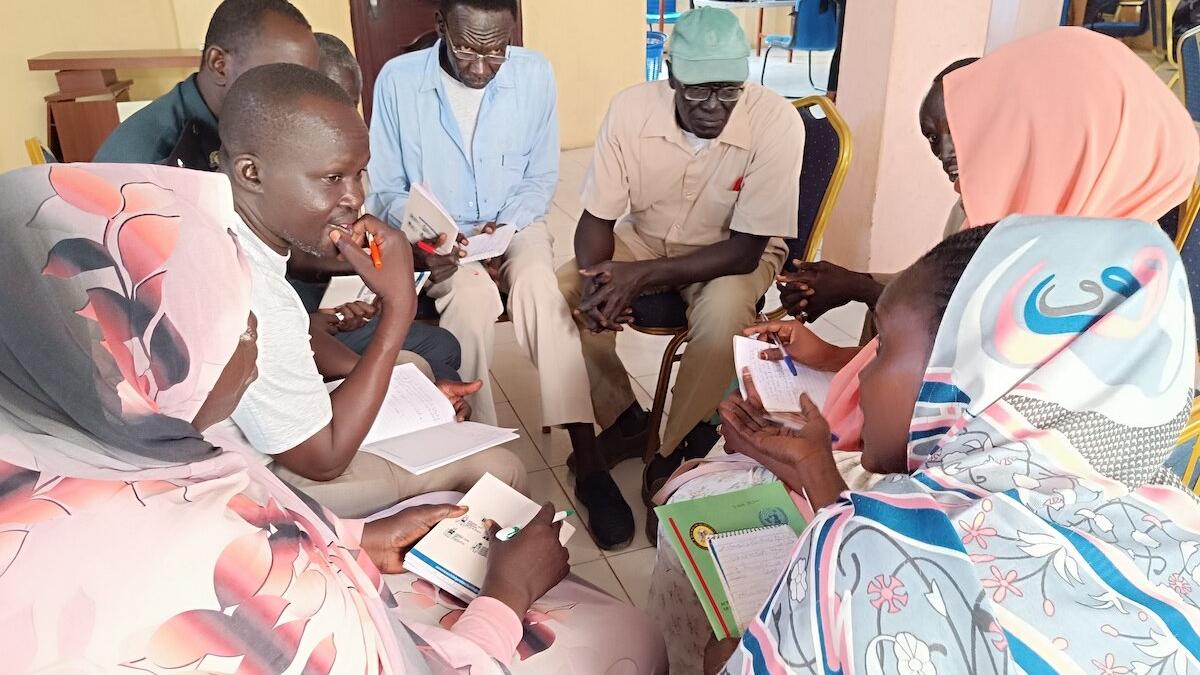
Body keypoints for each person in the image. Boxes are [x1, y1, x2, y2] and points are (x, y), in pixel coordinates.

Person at [646, 27, 1200, 673]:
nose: (949, 158)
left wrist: (831, 508)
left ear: (1052, 136)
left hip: (892, 489)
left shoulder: (876, 565)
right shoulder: (1135, 284)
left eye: (963, 138)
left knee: (716, 511)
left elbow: (900, 558)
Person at [0, 162, 668, 674]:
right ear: (150, 371)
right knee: (631, 635)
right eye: (234, 321)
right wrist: (507, 592)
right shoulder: (200, 564)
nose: (256, 333)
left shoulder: (71, 448)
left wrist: (351, 537)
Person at [709, 216, 1200, 674]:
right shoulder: (1174, 517)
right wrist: (816, 469)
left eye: (880, 346)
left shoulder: (871, 563)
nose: (863, 379)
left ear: (963, 371)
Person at [775, 27, 1199, 452]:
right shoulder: (1103, 254)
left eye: (973, 131)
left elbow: (941, 447)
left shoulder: (1087, 298)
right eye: (933, 139)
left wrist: (814, 461)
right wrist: (833, 358)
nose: (948, 155)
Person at [217, 62, 526, 518]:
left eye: (359, 174)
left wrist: (412, 398)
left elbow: (290, 343)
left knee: (413, 366)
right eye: (332, 178)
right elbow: (324, 460)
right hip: (263, 483)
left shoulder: (229, 228)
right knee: (501, 468)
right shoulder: (250, 287)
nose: (355, 197)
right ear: (251, 173)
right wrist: (399, 305)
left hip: (275, 433)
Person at [556, 7, 803, 549]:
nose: (714, 106)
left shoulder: (776, 121)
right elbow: (596, 221)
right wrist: (603, 282)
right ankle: (623, 418)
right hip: (647, 235)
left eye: (728, 91)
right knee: (565, 291)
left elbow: (744, 252)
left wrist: (637, 278)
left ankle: (677, 450)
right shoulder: (629, 111)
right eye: (698, 92)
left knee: (721, 316)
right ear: (669, 74)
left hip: (733, 248)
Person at [366, 0, 574, 429]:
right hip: (439, 237)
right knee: (471, 297)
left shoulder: (534, 74)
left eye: (497, 50)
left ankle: (583, 442)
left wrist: (509, 224)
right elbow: (387, 190)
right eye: (467, 50)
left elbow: (541, 175)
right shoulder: (398, 81)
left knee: (540, 288)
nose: (481, 68)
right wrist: (434, 235)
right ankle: (476, 434)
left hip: (515, 220)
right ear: (441, 24)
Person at [288, 31, 466, 383]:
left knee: (445, 351)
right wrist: (387, 279)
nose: (353, 196)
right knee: (435, 368)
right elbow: (298, 256)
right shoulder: (287, 172)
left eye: (351, 104)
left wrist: (400, 261)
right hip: (298, 320)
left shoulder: (336, 155)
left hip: (329, 304)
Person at [94, 0, 319, 169]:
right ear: (219, 64)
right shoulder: (147, 165)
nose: (298, 99)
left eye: (305, 81)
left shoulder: (251, 118)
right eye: (279, 78)